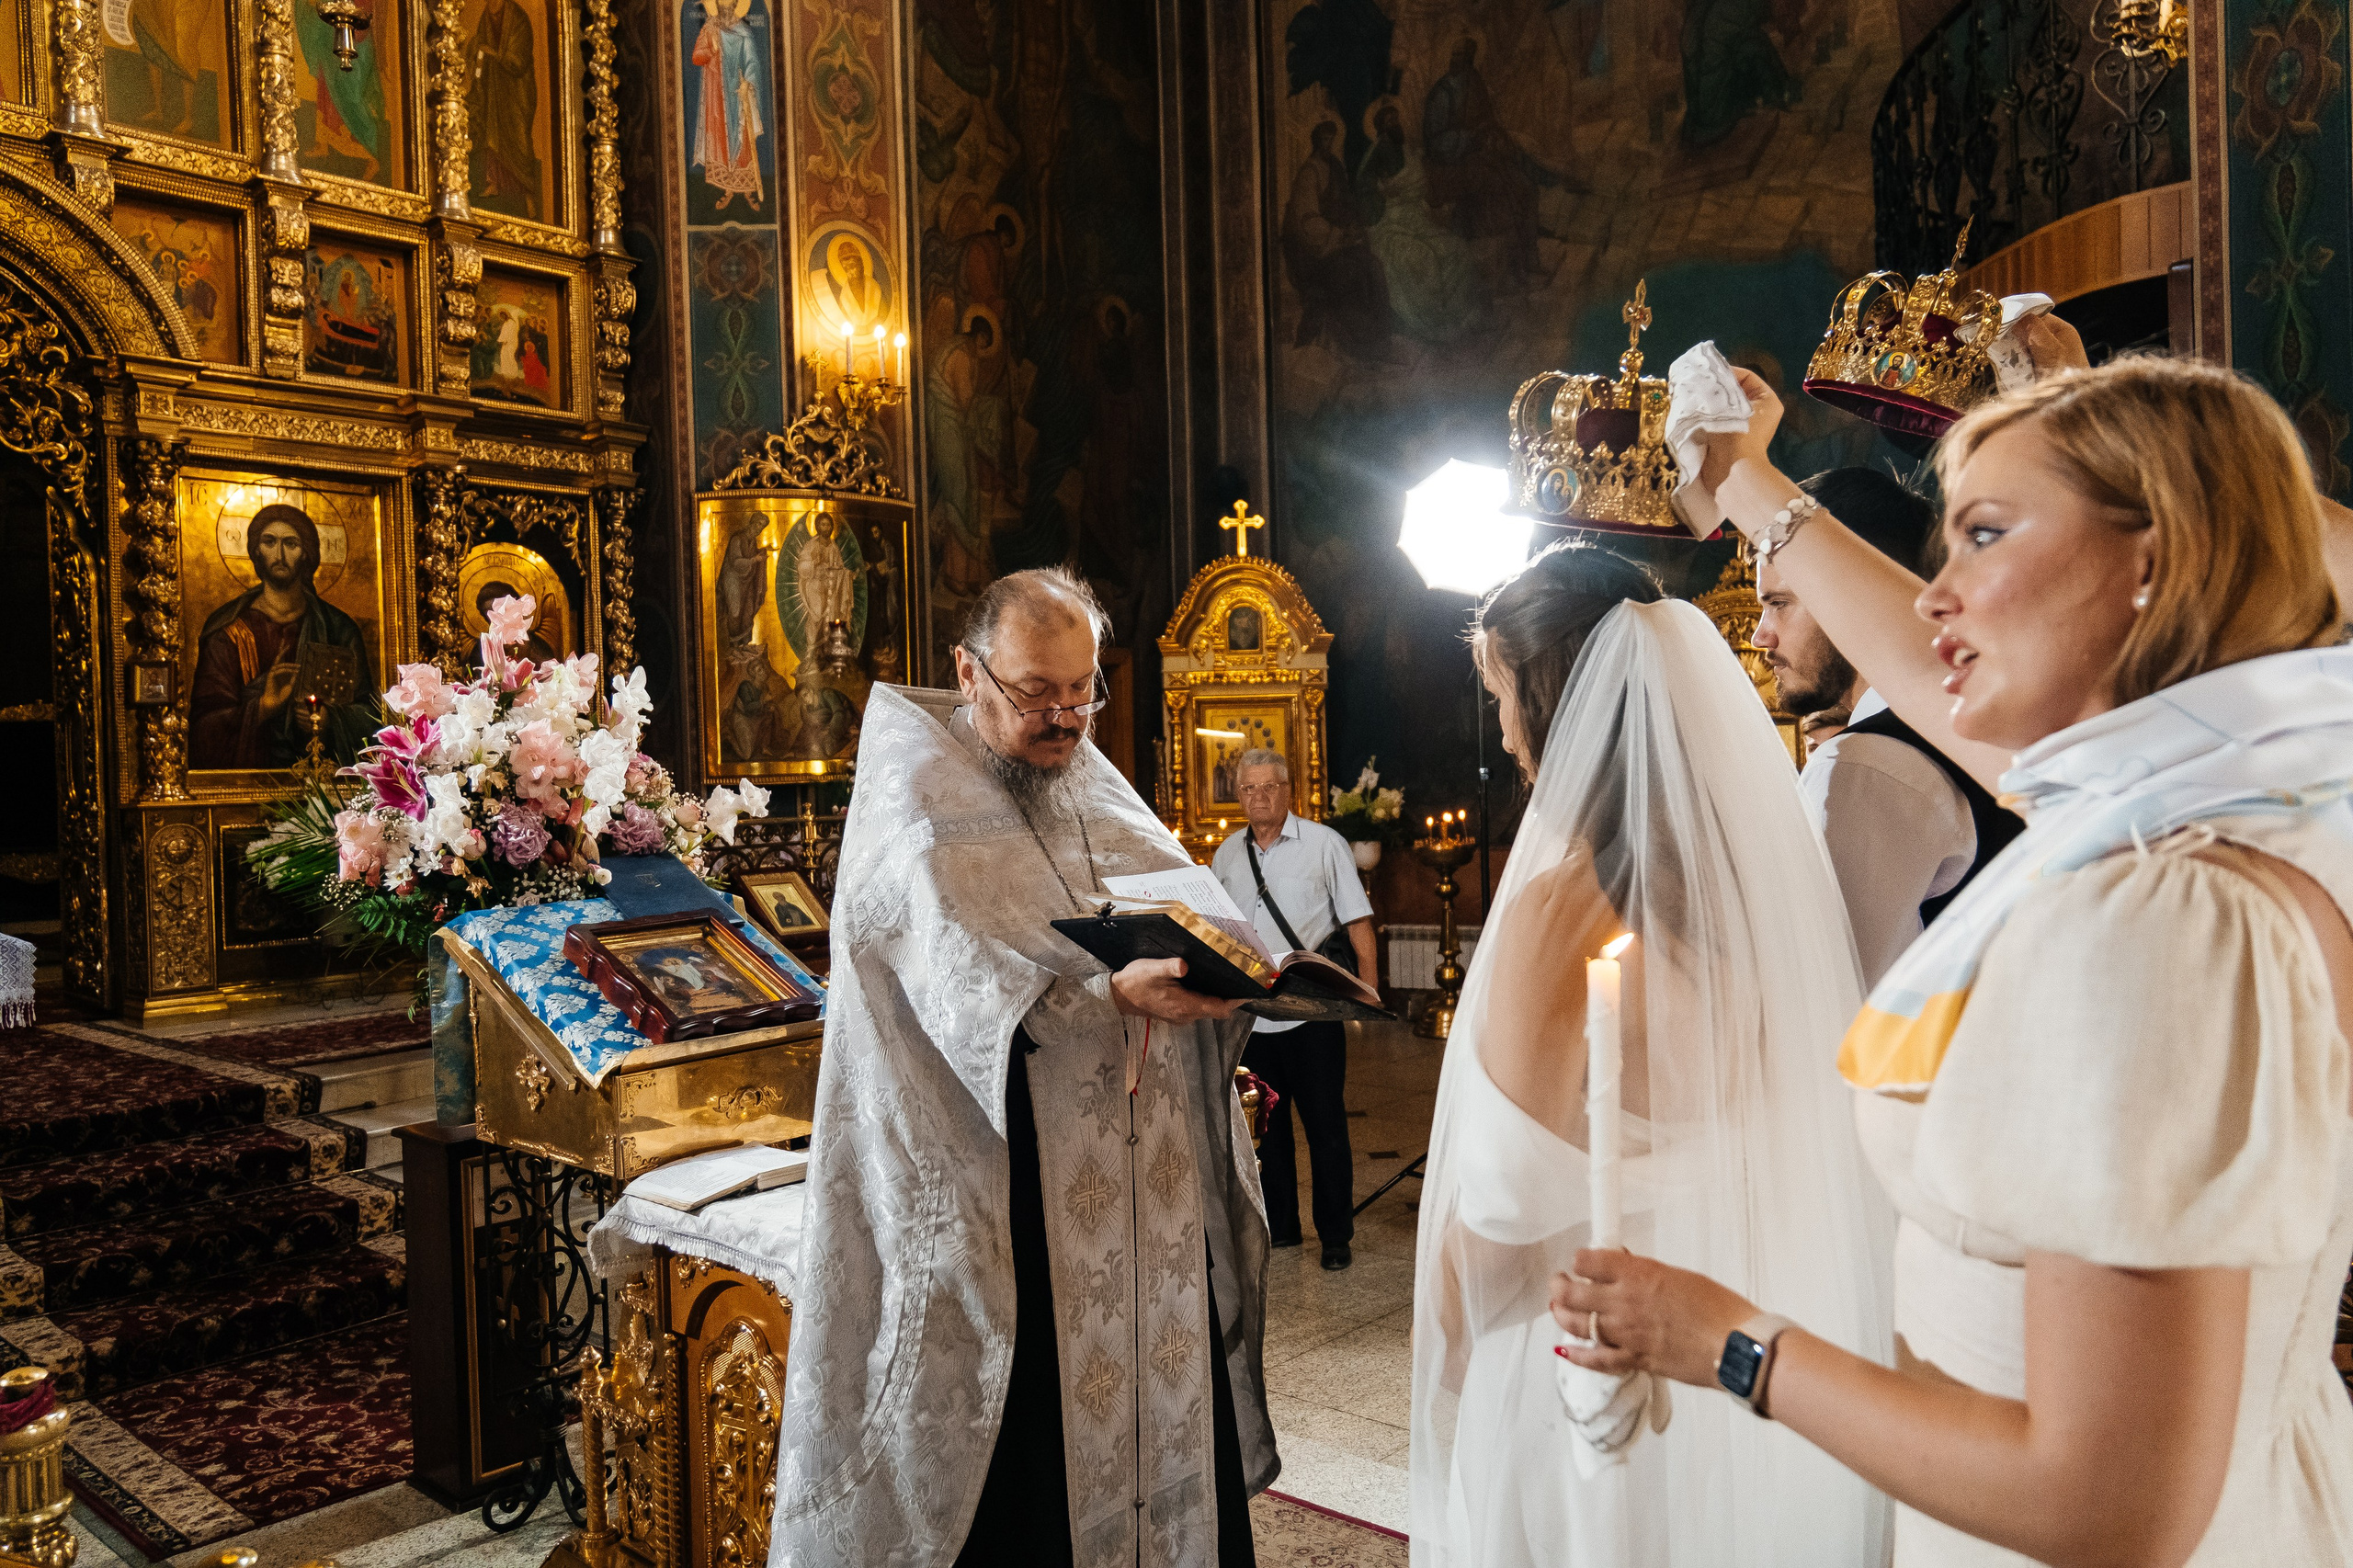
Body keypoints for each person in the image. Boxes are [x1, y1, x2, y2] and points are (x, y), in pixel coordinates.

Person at [1552, 354, 2353, 1567]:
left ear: (2155, 558)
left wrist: (1726, 1340)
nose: (1937, 595)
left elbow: (2107, 1501)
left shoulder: (2156, 916)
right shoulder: (2229, 803)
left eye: (1981, 534)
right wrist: (1749, 483)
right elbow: (1931, 679)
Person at [772, 567, 1275, 1568]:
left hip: (1142, 1202)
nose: (1064, 716)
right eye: (1035, 691)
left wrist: (1231, 970)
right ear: (968, 670)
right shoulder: (912, 798)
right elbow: (949, 973)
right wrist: (1104, 995)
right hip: (1003, 1196)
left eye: (1082, 690)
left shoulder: (1089, 776)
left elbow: (1180, 894)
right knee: (1026, 1466)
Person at [1411, 540, 1892, 1566]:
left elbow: (1496, 1224)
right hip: (1725, 1355)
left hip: (1583, 1378)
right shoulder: (1761, 897)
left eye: (1503, 697)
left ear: (1549, 706)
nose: (1504, 732)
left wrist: (1444, 1338)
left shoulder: (1555, 914)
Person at [1756, 467, 2023, 986]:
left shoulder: (1865, 765)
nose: (1762, 635)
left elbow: (1832, 998)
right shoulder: (1975, 731)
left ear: (1843, 593)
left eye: (1779, 603)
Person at [1211, 749, 1377, 1271]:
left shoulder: (1325, 845)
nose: (1259, 797)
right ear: (1239, 796)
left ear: (1288, 791)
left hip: (1313, 1011)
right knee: (1267, 1126)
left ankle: (1335, 1237)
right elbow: (1219, 932)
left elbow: (1357, 923)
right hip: (1253, 1013)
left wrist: (1368, 993)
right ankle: (1281, 1227)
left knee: (1325, 1126)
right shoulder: (1226, 855)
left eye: (1269, 787)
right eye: (1249, 789)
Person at [189, 504, 372, 769]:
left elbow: (372, 716)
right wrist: (263, 706)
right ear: (256, 551)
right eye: (269, 542)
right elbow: (203, 729)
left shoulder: (339, 629)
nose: (280, 554)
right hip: (246, 784)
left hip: (328, 787)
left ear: (306, 553)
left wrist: (329, 718)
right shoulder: (227, 632)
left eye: (291, 543)